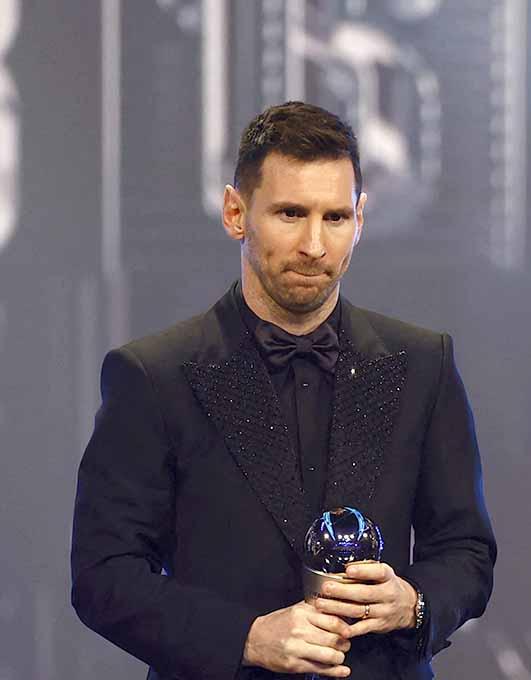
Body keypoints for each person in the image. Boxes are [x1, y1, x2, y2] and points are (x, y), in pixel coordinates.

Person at [71, 101, 496, 680]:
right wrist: (245, 638)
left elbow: (467, 553)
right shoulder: (153, 376)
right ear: (235, 212)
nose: (315, 246)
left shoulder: (424, 364)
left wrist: (414, 601)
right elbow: (104, 576)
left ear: (361, 219)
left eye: (336, 218)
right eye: (291, 214)